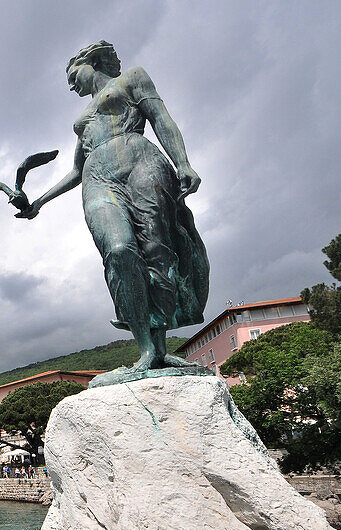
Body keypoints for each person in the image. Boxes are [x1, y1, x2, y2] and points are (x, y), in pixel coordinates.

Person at [20, 41, 208, 375]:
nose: (70, 84)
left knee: (158, 255)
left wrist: (184, 163)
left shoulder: (132, 78)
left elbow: (162, 118)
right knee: (119, 250)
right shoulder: (84, 120)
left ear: (89, 62)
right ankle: (144, 349)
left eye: (72, 74)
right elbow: (76, 171)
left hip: (143, 163)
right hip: (99, 178)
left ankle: (160, 350)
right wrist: (38, 202)